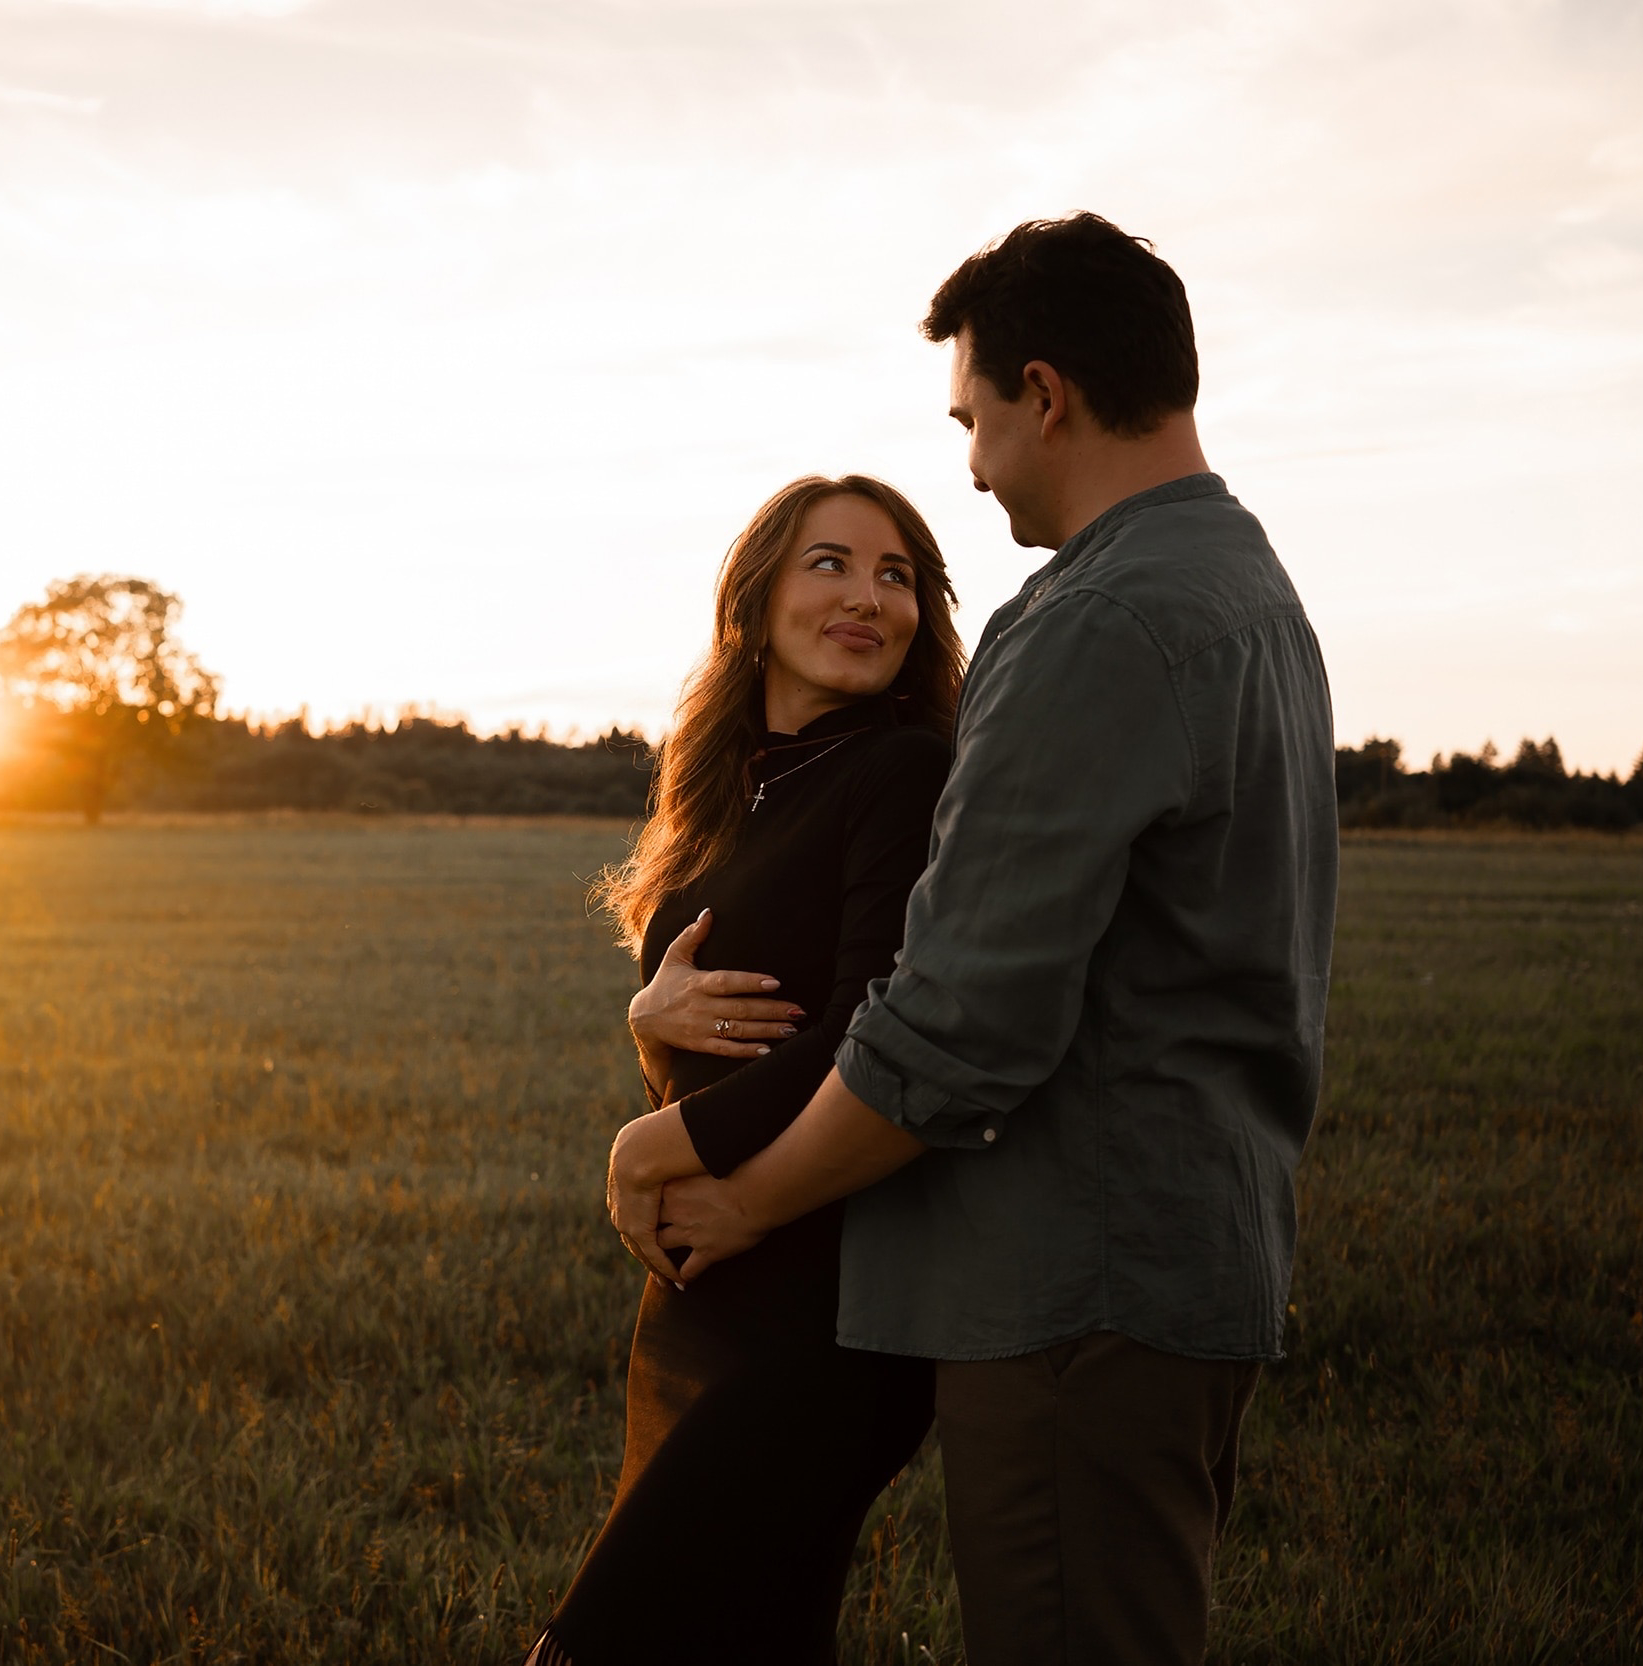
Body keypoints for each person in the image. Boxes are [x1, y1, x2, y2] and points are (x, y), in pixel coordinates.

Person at [610, 214, 1339, 1665]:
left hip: (1081, 1273)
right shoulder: (1246, 590)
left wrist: (744, 1194)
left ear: (1045, 393)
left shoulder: (1100, 617)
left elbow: (960, 1021)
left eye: (974, 417)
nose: (972, 462)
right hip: (1182, 1251)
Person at [528, 474, 967, 1666]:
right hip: (712, 1286)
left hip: (832, 1307)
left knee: (605, 1644)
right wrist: (646, 1027)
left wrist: (646, 1147)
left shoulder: (903, 773)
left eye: (897, 576)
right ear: (755, 598)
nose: (868, 598)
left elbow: (869, 1029)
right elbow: (718, 1046)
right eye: (830, 564)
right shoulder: (732, 796)